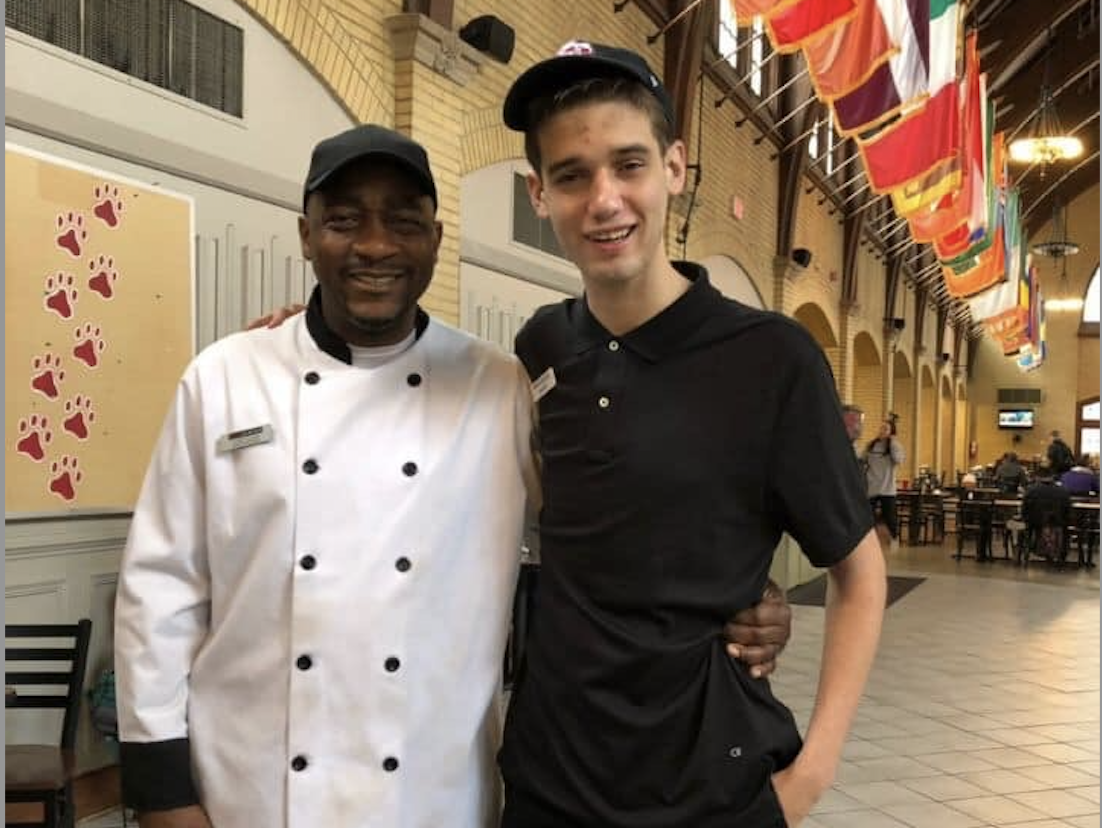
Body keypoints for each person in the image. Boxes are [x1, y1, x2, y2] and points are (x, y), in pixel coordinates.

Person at [115, 124, 792, 828]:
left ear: (436, 240)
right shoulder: (224, 378)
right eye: (343, 221)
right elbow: (159, 591)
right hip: (247, 795)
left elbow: (614, 525)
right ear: (306, 235)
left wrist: (740, 594)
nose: (374, 247)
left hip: (435, 798)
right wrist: (162, 793)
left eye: (403, 222)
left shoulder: (498, 385)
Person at [496, 41, 886, 828]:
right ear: (539, 193)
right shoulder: (543, 346)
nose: (604, 199)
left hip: (711, 785)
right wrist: (313, 333)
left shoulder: (771, 358)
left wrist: (810, 775)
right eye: (572, 175)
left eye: (628, 164)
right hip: (552, 780)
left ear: (675, 168)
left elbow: (861, 575)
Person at [862, 419, 905, 541]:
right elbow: (862, 459)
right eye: (881, 428)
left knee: (890, 516)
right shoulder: (871, 445)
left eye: (885, 429)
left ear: (891, 432)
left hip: (887, 488)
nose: (882, 431)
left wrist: (892, 443)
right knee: (868, 515)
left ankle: (894, 539)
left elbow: (899, 460)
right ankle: (869, 539)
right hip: (872, 486)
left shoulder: (895, 446)